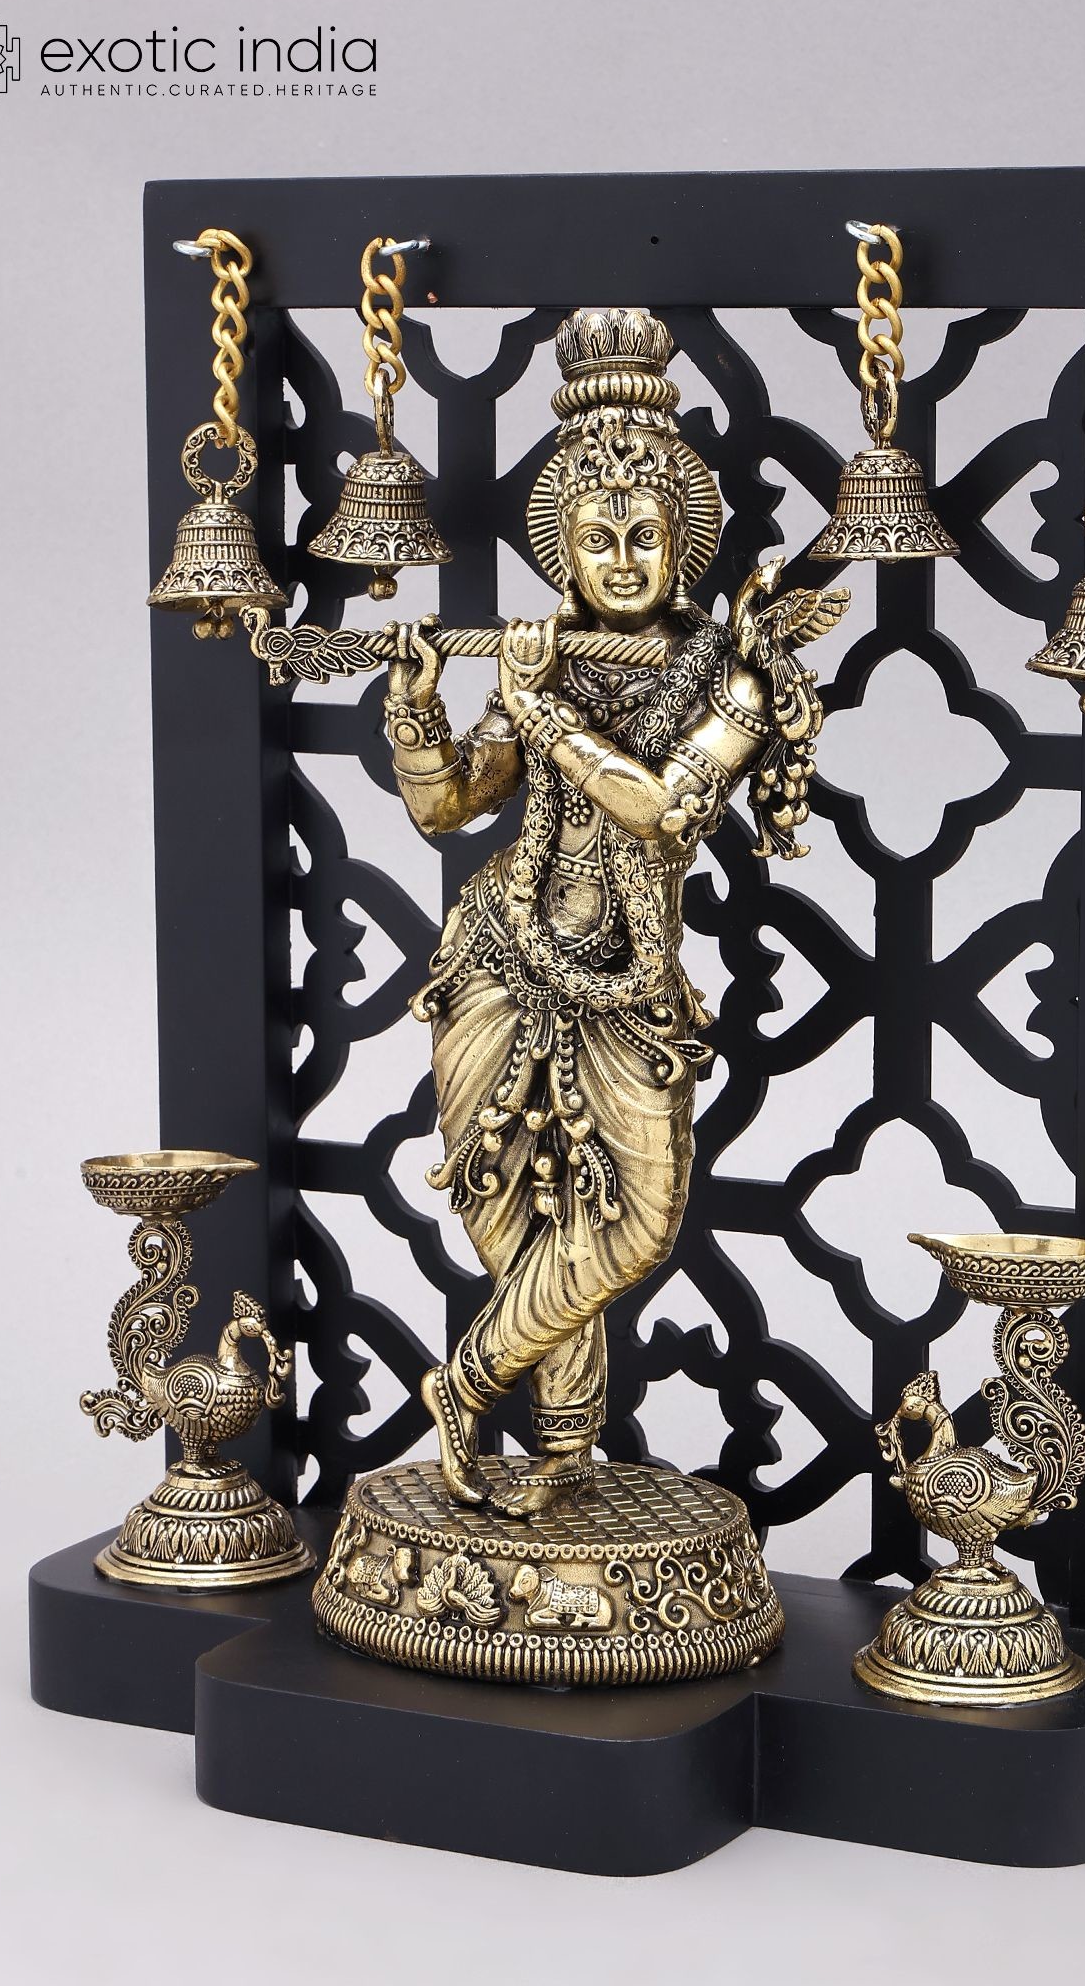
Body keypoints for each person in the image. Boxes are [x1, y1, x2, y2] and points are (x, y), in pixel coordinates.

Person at [386, 308, 830, 1516]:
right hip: (498, 956)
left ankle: (465, 1383)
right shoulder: (546, 658)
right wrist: (419, 712)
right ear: (563, 553)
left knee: (638, 1221)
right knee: (513, 1216)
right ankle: (564, 1457)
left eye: (644, 535)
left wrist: (541, 712)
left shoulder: (730, 675)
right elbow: (447, 806)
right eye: (597, 538)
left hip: (632, 979)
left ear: (681, 544)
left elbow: (664, 811)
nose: (622, 559)